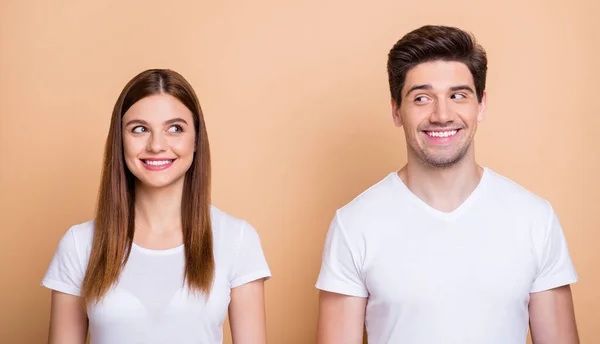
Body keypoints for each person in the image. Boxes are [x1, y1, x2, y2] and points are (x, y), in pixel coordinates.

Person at [315, 25, 579, 343]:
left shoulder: (535, 218)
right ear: (397, 110)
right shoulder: (354, 224)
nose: (442, 115)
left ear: (480, 104)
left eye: (457, 95)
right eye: (422, 98)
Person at [42, 69, 271, 344]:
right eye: (140, 129)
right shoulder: (79, 244)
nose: (157, 145)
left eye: (175, 128)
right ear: (120, 139)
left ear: (196, 139)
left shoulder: (237, 239)